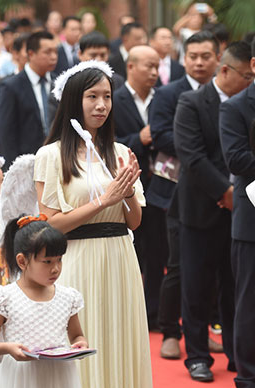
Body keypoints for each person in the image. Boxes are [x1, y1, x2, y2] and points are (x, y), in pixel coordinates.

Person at [34, 61, 154, 388]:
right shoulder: (51, 155)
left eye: (107, 96)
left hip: (120, 256)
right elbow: (50, 224)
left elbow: (134, 222)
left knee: (121, 340)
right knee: (87, 338)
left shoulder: (119, 153)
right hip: (79, 258)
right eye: (92, 97)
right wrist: (105, 199)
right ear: (74, 100)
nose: (101, 105)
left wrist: (128, 191)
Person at [175, 41, 253, 383]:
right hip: (201, 209)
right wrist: (226, 191)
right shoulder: (191, 102)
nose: (250, 81)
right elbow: (192, 157)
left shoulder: (247, 104)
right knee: (197, 285)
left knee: (237, 286)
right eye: (247, 76)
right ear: (227, 71)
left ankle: (239, 355)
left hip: (242, 210)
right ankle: (197, 356)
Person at [150, 31, 220, 362]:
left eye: (206, 56)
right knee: (177, 264)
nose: (199, 62)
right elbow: (161, 135)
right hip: (174, 190)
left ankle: (208, 328)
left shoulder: (226, 92)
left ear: (217, 58)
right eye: (193, 56)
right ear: (183, 58)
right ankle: (170, 332)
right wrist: (198, 150)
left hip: (217, 190)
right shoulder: (167, 93)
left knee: (217, 266)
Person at [0, 215, 87, 388]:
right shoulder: (5, 297)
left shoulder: (68, 296)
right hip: (21, 379)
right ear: (22, 261)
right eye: (47, 261)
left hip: (59, 378)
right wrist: (8, 348)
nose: (55, 268)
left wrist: (80, 344)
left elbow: (76, 335)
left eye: (59, 260)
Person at [113, 45, 166, 339]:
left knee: (157, 254)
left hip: (158, 187)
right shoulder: (115, 100)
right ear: (131, 67)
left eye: (158, 66)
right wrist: (139, 138)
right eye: (149, 66)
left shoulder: (164, 98)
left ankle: (153, 313)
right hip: (126, 186)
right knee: (131, 250)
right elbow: (109, 141)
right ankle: (129, 310)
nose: (154, 72)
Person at [219, 37, 255, 388]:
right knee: (249, 302)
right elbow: (238, 159)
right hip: (252, 217)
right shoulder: (235, 107)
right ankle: (249, 381)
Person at [0, 31, 58, 167]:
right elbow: (6, 132)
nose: (53, 57)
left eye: (55, 52)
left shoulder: (59, 84)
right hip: (25, 162)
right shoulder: (11, 87)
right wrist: (12, 167)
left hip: (55, 161)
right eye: (47, 52)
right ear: (31, 54)